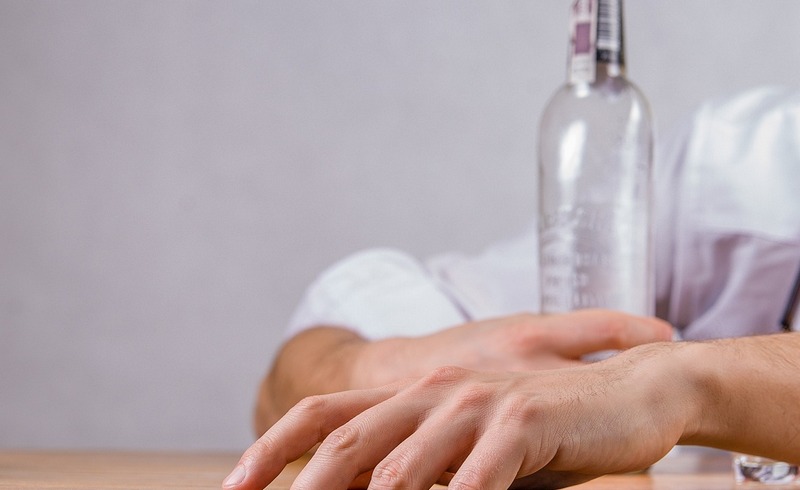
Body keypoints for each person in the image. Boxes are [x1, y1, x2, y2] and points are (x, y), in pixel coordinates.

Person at [229, 86, 800, 489]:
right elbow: (295, 375)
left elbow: (659, 385)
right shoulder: (740, 169)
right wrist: (385, 370)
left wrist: (677, 383)